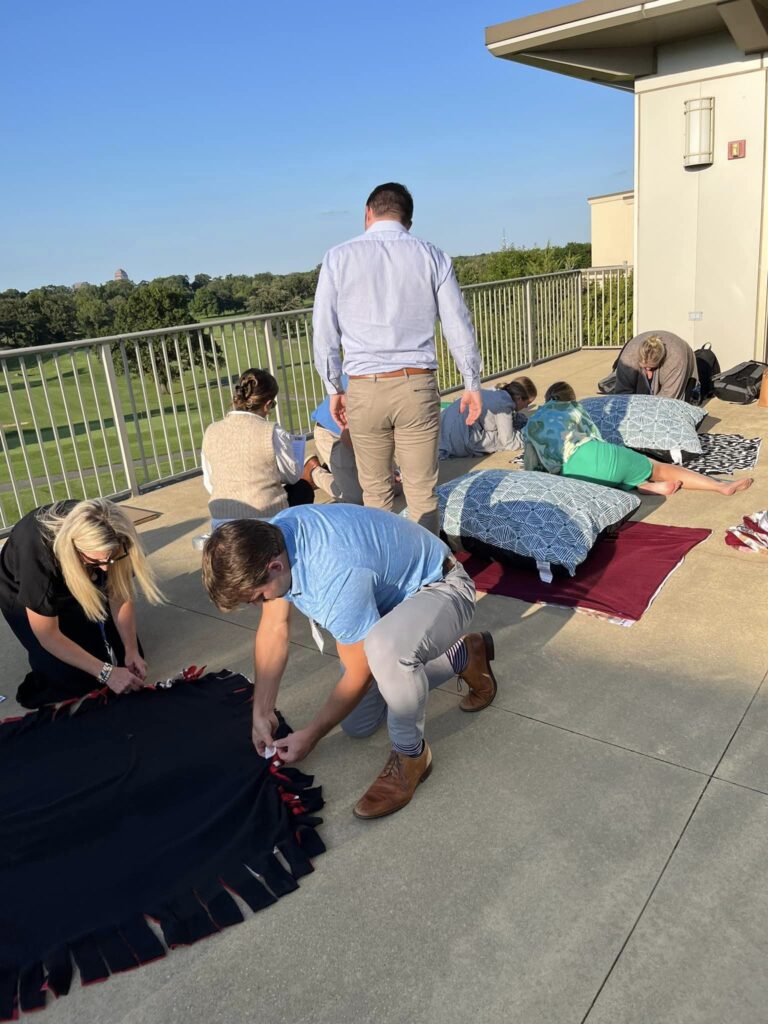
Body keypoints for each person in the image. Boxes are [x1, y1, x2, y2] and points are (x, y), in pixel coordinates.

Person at [201, 504, 498, 820]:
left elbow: (360, 670)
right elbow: (274, 629)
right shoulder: (272, 537)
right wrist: (261, 711)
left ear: (274, 566)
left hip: (444, 588)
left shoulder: (333, 577)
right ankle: (464, 654)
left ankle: (412, 756)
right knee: (359, 724)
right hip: (391, 605)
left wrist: (312, 734)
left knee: (385, 650)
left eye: (259, 597)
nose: (262, 603)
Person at [312, 182, 483, 535]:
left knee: (376, 495)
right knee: (422, 493)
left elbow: (324, 330)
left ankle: (389, 573)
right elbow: (457, 323)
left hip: (363, 388)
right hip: (416, 385)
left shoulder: (338, 257)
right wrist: (472, 383)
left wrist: (333, 387)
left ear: (367, 214)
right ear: (409, 220)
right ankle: (429, 575)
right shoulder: (432, 255)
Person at [0, 498, 164, 709]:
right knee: (75, 681)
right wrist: (106, 673)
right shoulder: (37, 553)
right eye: (97, 562)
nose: (105, 569)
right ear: (75, 549)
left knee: (125, 661)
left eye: (111, 559)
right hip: (21, 593)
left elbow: (119, 594)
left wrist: (131, 649)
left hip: (77, 574)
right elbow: (48, 635)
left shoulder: (113, 530)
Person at [524, 382, 753, 496]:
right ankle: (719, 486)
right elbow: (595, 436)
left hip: (575, 477)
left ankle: (642, 486)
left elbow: (531, 466)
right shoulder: (574, 408)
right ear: (570, 398)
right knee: (657, 467)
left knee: (613, 480)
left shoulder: (532, 422)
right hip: (598, 456)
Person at [201, 368, 315, 529]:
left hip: (222, 520)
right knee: (302, 489)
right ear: (267, 404)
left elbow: (210, 483)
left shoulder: (211, 431)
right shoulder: (273, 432)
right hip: (266, 518)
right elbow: (292, 476)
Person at [439, 376, 537, 459]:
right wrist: (531, 435)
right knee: (500, 438)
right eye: (527, 403)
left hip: (442, 431)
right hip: (458, 440)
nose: (526, 407)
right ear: (519, 398)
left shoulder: (494, 392)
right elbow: (509, 442)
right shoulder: (504, 405)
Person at [308, 373, 364, 504]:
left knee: (393, 488)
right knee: (354, 499)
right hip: (332, 434)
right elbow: (349, 438)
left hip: (355, 436)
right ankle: (313, 471)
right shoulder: (360, 384)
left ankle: (339, 471)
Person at [614, 331, 698, 401]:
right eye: (645, 368)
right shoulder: (628, 359)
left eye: (652, 369)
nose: (649, 376)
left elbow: (668, 401)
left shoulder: (675, 358)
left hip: (680, 354)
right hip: (633, 354)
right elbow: (622, 395)